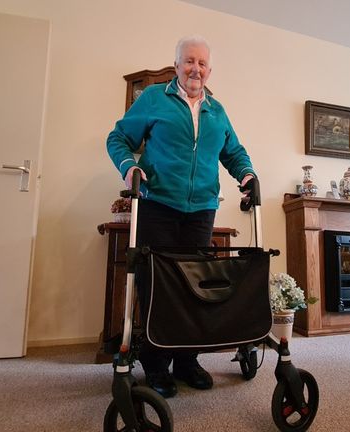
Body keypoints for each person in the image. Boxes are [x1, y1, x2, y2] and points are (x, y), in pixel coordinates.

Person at [106, 35, 256, 398]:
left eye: (202, 63)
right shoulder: (155, 98)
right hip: (157, 203)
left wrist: (247, 174)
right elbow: (118, 138)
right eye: (189, 61)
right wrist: (129, 169)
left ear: (209, 70)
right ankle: (157, 366)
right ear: (176, 66)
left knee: (194, 288)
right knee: (157, 285)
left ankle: (188, 362)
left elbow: (233, 151)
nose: (196, 69)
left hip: (201, 209)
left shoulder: (216, 110)